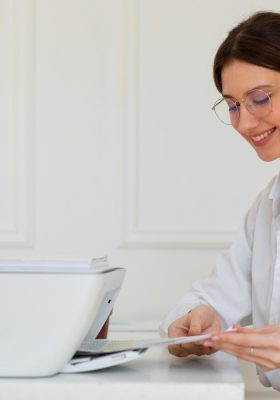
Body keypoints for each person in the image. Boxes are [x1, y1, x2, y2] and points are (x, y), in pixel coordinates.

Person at [160, 11, 280, 392]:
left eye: (259, 98)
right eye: (232, 105)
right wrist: (196, 320)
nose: (244, 124)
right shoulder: (268, 208)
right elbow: (211, 297)